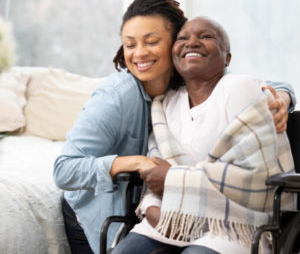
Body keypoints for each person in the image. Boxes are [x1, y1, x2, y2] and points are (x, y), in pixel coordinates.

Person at [53, 0, 295, 254]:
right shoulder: (116, 98)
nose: (140, 53)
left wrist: (282, 96)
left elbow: (252, 83)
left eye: (152, 41)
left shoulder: (189, 80)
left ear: (173, 44)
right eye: (130, 45)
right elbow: (64, 169)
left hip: (189, 211)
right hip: (101, 209)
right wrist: (137, 162)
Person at [112, 17, 295, 254]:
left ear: (227, 57)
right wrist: (152, 209)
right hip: (175, 216)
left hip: (235, 225)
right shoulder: (164, 104)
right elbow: (153, 172)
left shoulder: (241, 88)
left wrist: (173, 177)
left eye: (206, 37)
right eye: (182, 39)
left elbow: (257, 178)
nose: (192, 43)